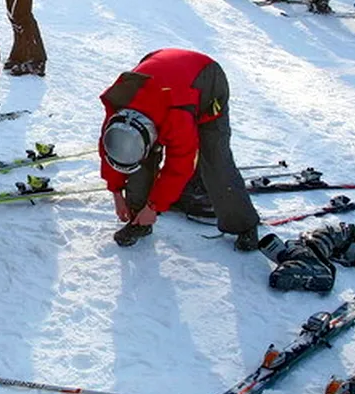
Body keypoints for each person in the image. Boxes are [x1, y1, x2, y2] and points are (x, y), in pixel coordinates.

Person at [98, 48, 260, 250]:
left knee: (215, 159)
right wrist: (116, 192)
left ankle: (244, 226)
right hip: (162, 73)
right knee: (142, 159)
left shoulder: (177, 119)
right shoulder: (118, 113)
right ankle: (139, 219)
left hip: (206, 81)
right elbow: (111, 155)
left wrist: (154, 206)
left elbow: (180, 165)